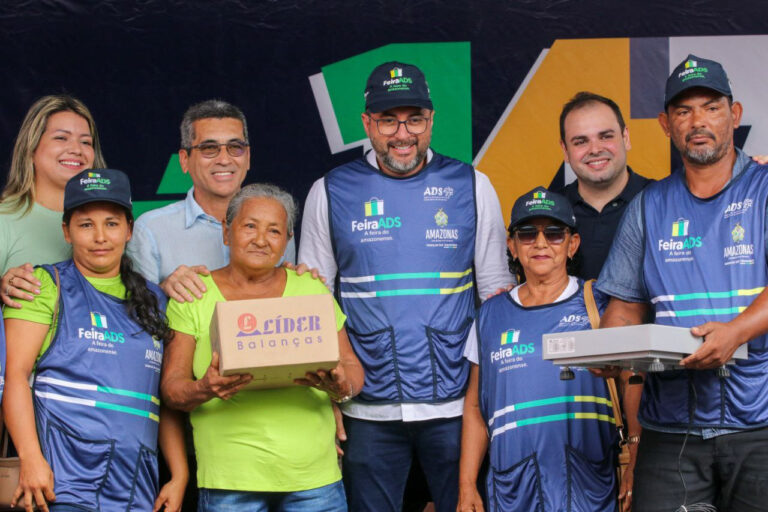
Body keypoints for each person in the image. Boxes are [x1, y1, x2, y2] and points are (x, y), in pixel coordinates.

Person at [298, 61, 513, 512]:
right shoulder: (330, 190)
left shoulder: (472, 185)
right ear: (366, 123)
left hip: (455, 406)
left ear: (431, 120)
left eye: (414, 119)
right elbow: (312, 301)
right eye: (388, 120)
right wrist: (326, 399)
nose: (402, 134)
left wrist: (489, 395)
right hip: (365, 408)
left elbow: (496, 295)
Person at [597, 54, 768, 511]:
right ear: (665, 124)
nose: (698, 122)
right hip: (671, 428)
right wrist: (607, 349)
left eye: (711, 107)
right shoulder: (648, 205)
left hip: (760, 421)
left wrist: (736, 332)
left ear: (734, 114)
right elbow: (624, 306)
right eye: (684, 111)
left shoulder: (764, 188)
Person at [160, 183, 364, 510]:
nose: (260, 239)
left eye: (274, 231)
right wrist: (204, 388)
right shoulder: (194, 295)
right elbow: (172, 389)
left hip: (314, 479)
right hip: (230, 481)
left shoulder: (311, 290)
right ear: (226, 232)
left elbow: (352, 369)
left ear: (288, 240)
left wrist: (340, 387)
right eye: (250, 226)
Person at [2, 169, 187, 512]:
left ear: (129, 230)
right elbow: (14, 378)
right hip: (62, 486)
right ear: (66, 231)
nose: (100, 237)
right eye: (86, 224)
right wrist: (31, 459)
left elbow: (160, 398)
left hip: (136, 487)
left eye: (112, 223)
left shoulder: (155, 300)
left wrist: (179, 474)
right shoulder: (43, 286)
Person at [458, 187, 622, 511]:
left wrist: (636, 450)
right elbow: (476, 407)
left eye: (555, 233)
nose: (541, 243)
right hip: (514, 490)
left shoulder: (600, 305)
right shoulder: (490, 315)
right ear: (512, 246)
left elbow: (632, 381)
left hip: (589, 485)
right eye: (528, 233)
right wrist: (466, 485)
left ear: (572, 244)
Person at [127, 99, 296, 303]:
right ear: (184, 159)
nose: (224, 159)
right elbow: (138, 314)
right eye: (209, 148)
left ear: (248, 156)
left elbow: (289, 302)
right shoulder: (150, 230)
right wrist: (163, 291)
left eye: (235, 147)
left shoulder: (276, 223)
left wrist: (302, 279)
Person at [0, 95, 107, 307]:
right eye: (61, 138)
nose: (76, 149)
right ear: (31, 148)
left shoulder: (111, 221)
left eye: (85, 142)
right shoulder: (4, 218)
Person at [556, 92, 651, 280]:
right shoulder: (548, 213)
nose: (595, 149)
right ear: (565, 150)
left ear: (625, 138)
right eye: (581, 142)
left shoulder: (663, 202)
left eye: (606, 137)